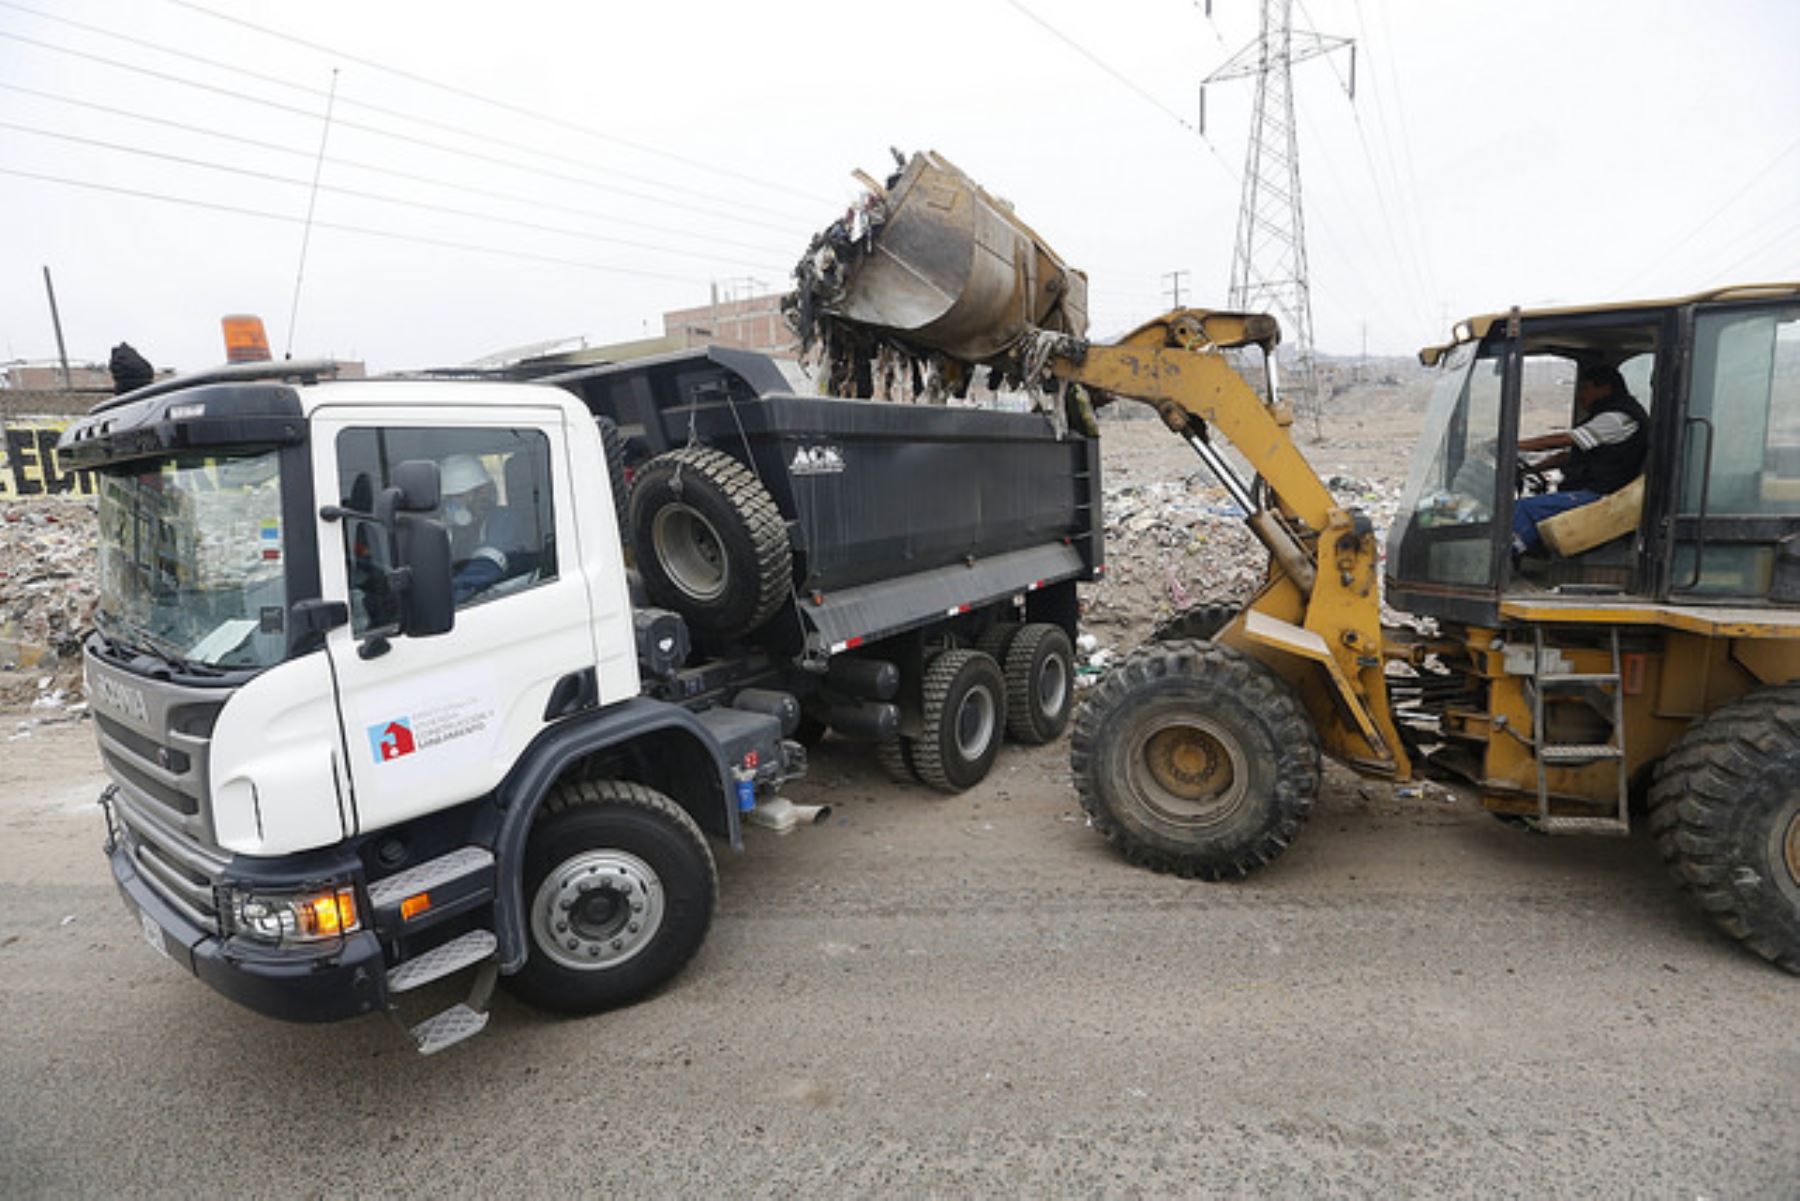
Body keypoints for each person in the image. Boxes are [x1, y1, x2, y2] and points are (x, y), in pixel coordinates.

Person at [1510, 363, 1649, 556]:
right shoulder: (1608, 416)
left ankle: (1505, 558)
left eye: (1585, 389)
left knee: (1523, 509)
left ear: (1605, 388)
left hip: (1603, 494)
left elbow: (1564, 440)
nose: (1580, 396)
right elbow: (1568, 456)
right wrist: (1530, 470)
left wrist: (1512, 445)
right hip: (1596, 489)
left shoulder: (1616, 418)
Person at [438, 453, 525, 603]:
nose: (450, 505)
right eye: (447, 499)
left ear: (480, 493)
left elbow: (485, 568)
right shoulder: (456, 528)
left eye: (456, 497)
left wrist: (440, 598)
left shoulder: (503, 520)